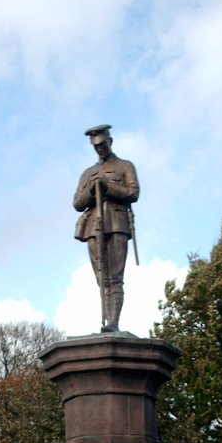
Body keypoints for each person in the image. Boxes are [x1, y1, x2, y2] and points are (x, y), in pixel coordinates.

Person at [73, 124, 139, 331]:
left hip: (117, 224)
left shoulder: (125, 166)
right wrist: (93, 190)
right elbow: (77, 203)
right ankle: (108, 320)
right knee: (102, 278)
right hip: (93, 227)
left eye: (102, 145)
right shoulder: (88, 173)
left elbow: (133, 193)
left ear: (110, 142)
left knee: (115, 277)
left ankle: (113, 323)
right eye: (96, 147)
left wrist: (107, 186)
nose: (100, 149)